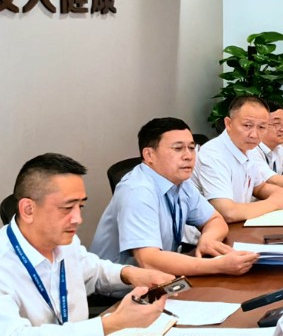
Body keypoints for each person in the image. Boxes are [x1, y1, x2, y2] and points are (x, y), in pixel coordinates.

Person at [0, 153, 170, 336]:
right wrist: (112, 323)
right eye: (67, 208)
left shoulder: (65, 242)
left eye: (80, 206)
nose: (78, 218)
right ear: (28, 209)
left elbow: (93, 270)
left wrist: (130, 274)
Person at [89, 118, 260, 277]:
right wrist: (218, 266)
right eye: (178, 149)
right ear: (149, 155)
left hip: (164, 276)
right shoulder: (138, 192)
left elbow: (215, 219)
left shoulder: (180, 182)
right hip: (121, 289)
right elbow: (148, 260)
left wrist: (208, 239)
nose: (188, 156)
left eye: (191, 148)